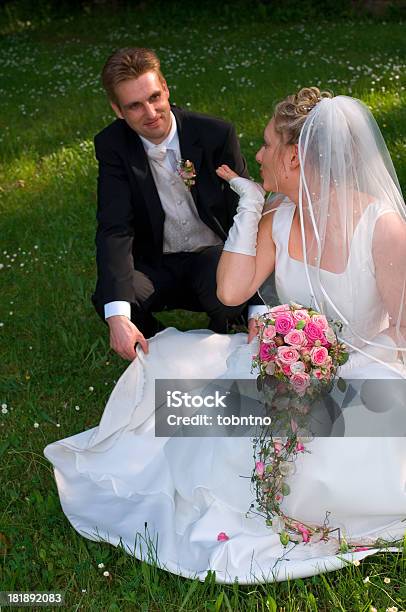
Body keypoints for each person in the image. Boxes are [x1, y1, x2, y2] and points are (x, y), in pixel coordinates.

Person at [45, 88, 406, 583]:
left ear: (295, 155)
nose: (256, 155)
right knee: (177, 390)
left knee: (310, 451)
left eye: (265, 144)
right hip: (286, 364)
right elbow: (232, 292)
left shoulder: (382, 227)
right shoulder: (279, 215)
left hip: (365, 371)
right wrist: (250, 206)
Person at [92, 47, 262, 360]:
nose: (151, 112)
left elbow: (249, 213)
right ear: (118, 110)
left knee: (228, 294)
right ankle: (153, 346)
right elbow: (114, 227)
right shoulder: (112, 145)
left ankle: (225, 324)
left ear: (166, 88)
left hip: (212, 258)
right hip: (157, 261)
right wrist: (117, 316)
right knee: (111, 294)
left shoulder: (215, 134)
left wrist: (258, 306)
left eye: (155, 97)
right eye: (135, 106)